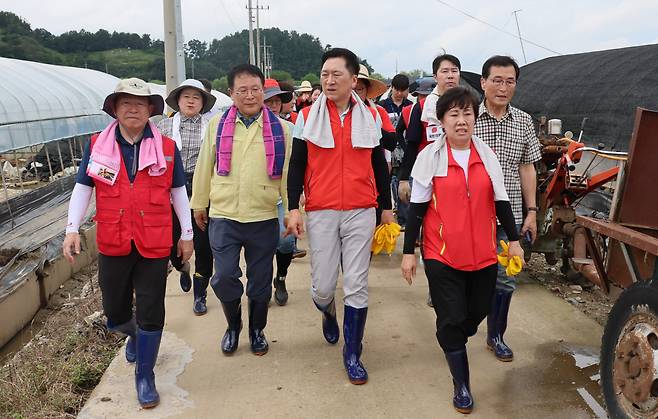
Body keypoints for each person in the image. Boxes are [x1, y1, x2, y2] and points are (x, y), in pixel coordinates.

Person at [63, 78, 193, 409]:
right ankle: (132, 333)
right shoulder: (97, 146)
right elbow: (83, 187)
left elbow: (178, 193)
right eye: (125, 102)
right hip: (114, 238)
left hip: (154, 239)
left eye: (140, 102)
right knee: (115, 312)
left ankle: (145, 375)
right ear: (115, 109)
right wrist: (71, 228)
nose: (133, 108)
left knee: (152, 310)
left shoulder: (166, 148)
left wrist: (187, 235)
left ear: (150, 109)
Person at [401, 87, 523, 414]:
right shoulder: (431, 158)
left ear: (474, 118)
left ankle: (455, 332)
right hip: (441, 253)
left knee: (475, 314)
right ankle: (462, 386)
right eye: (453, 114)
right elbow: (417, 208)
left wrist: (513, 240)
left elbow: (501, 201)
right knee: (453, 319)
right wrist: (409, 251)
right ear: (441, 121)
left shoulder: (487, 156)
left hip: (483, 253)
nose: (461, 121)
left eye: (467, 113)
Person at [286, 48, 393, 385]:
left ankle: (353, 353)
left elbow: (379, 165)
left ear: (353, 80)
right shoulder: (307, 118)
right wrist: (293, 206)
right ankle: (327, 309)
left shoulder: (370, 117)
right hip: (322, 210)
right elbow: (298, 165)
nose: (329, 81)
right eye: (325, 75)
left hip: (362, 209)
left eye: (337, 75)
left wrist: (385, 207)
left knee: (358, 284)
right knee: (321, 285)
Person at [191, 64, 292, 356]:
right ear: (231, 93)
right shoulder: (217, 125)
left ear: (264, 91)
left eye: (255, 89)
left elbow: (287, 174)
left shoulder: (281, 129)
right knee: (223, 276)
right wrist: (199, 202)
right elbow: (204, 167)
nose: (250, 95)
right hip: (224, 213)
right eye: (243, 90)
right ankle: (233, 325)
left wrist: (293, 212)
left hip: (263, 214)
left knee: (260, 282)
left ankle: (257, 329)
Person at [475, 55, 541, 362]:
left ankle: (496, 335)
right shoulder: (467, 117)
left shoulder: (524, 120)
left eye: (510, 81)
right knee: (469, 276)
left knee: (505, 278)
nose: (503, 88)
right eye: (497, 80)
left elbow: (527, 167)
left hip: (510, 215)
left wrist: (531, 211)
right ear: (483, 82)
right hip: (470, 215)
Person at [157, 79, 216, 315]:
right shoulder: (163, 127)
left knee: (204, 245)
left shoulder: (212, 126)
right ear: (178, 101)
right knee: (173, 243)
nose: (191, 101)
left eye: (196, 97)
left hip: (202, 189)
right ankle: (182, 267)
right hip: (171, 191)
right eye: (186, 97)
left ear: (203, 102)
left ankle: (200, 293)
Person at [398, 54, 462, 202]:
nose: (450, 76)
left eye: (454, 71)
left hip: (460, 173)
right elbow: (412, 144)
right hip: (428, 174)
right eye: (445, 71)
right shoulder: (422, 107)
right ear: (435, 76)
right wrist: (403, 179)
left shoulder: (468, 105)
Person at [263, 78, 296, 305]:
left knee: (285, 242)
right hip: (258, 196)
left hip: (282, 194)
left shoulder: (290, 130)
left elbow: (298, 164)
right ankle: (262, 283)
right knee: (262, 245)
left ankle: (281, 277)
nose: (273, 105)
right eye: (269, 101)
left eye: (277, 101)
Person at [354, 64, 398, 224]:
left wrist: (372, 126)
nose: (355, 94)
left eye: (359, 89)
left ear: (366, 91)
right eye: (352, 89)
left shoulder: (378, 112)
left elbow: (392, 142)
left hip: (374, 177)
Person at [379, 74, 413, 226]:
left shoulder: (410, 106)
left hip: (406, 149)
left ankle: (404, 219)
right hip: (388, 149)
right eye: (396, 90)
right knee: (389, 182)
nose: (399, 93)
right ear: (391, 88)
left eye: (403, 90)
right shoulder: (383, 105)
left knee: (404, 182)